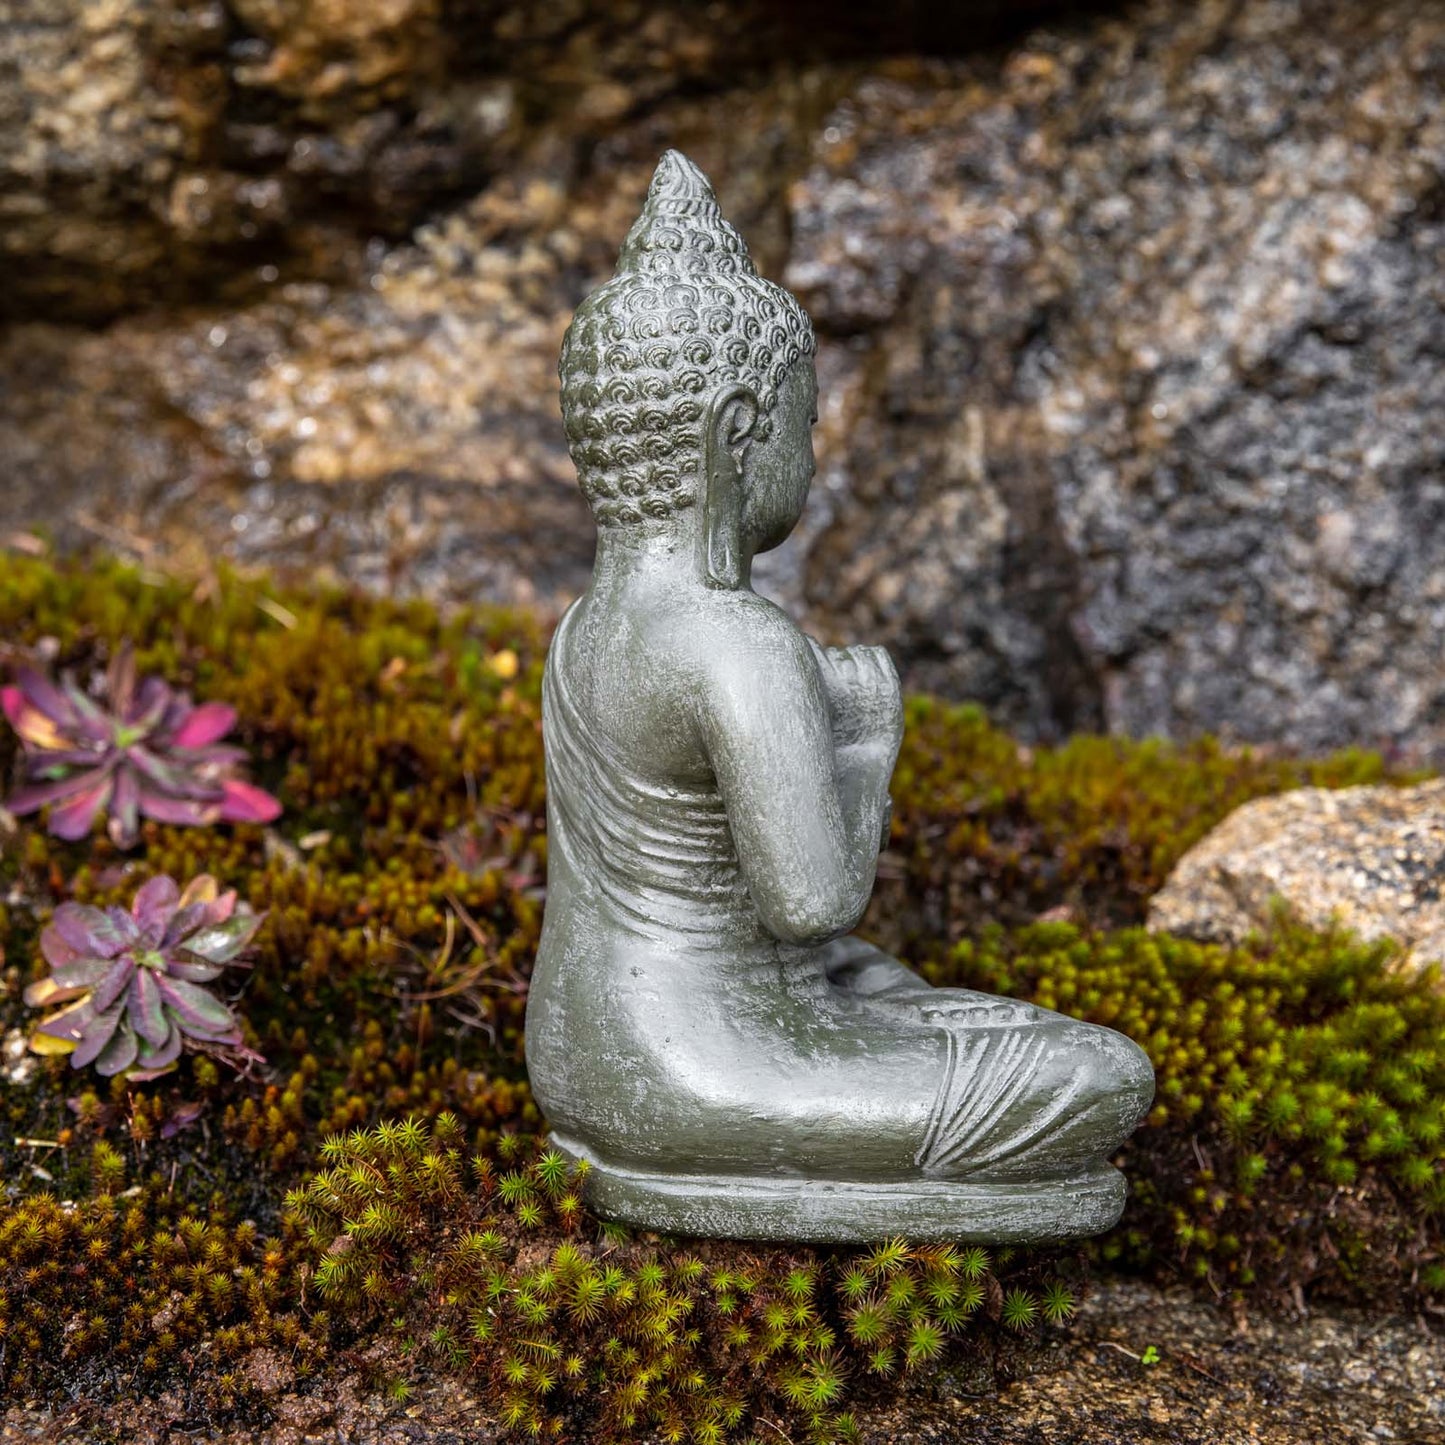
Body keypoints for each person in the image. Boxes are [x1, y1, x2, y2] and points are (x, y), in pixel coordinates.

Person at [524, 151, 1153, 1241]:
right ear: (734, 433)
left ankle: (736, 1094)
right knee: (1099, 1074)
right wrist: (860, 748)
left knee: (872, 983)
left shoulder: (583, 627)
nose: (810, 457)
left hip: (579, 1050)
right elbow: (809, 901)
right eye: (802, 427)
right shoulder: (735, 641)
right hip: (704, 1071)